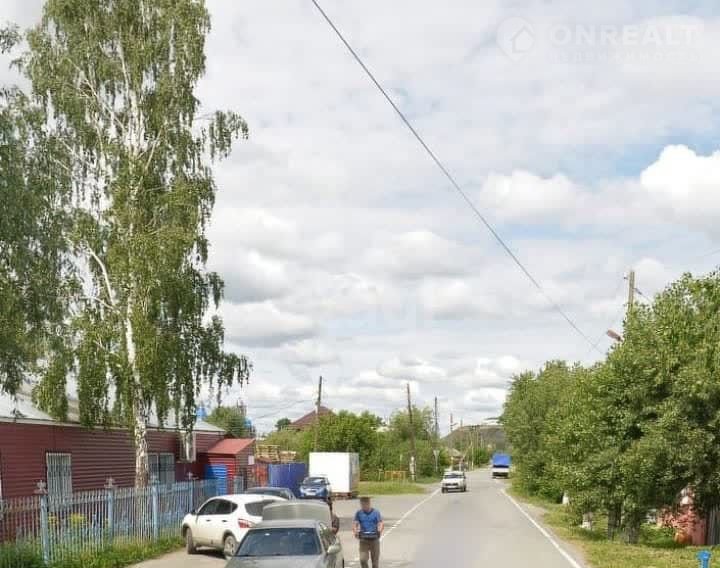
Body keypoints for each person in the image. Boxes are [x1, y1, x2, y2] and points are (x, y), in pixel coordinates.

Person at [353, 496, 383, 568]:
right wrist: (355, 531)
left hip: (374, 539)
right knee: (363, 560)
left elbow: (380, 523)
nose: (363, 506)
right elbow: (355, 523)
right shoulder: (359, 513)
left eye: (365, 504)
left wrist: (379, 530)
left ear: (369, 503)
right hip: (364, 539)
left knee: (375, 562)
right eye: (362, 504)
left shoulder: (376, 512)